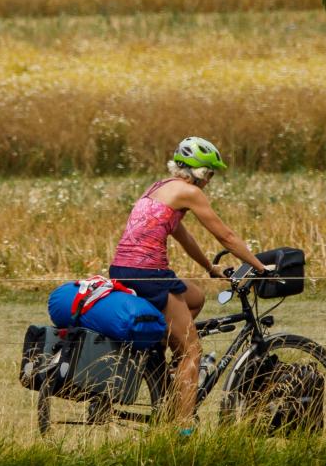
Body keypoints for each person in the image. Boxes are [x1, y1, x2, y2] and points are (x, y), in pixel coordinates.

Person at [109, 136, 271, 427]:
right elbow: (226, 236)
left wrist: (210, 266)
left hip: (123, 268)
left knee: (195, 298)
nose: (209, 180)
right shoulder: (189, 192)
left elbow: (182, 235)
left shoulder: (160, 187)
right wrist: (259, 267)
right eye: (209, 174)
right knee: (191, 350)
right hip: (149, 274)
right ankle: (182, 429)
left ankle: (161, 364)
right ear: (199, 172)